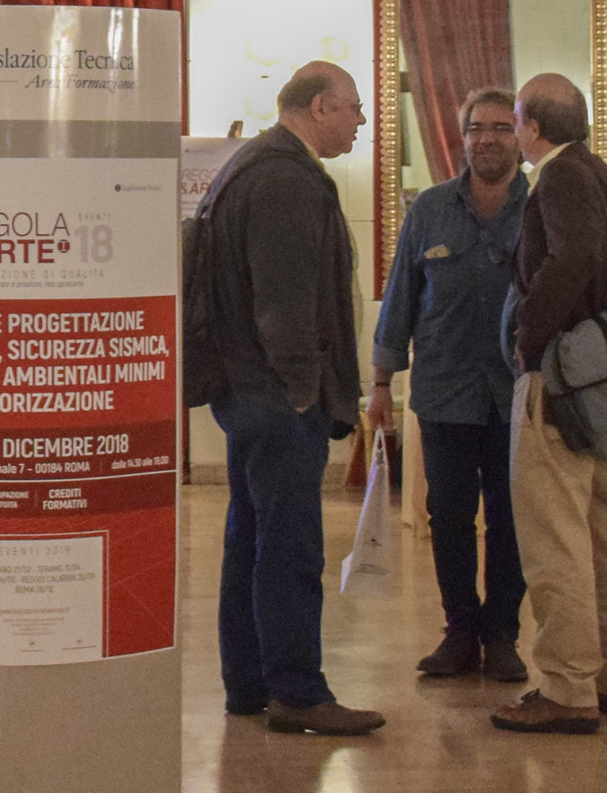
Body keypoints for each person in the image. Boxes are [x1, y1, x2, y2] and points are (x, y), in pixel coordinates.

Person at [187, 63, 384, 736]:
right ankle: (298, 691)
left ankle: (249, 686)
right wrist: (304, 389)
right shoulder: (283, 178)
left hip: (252, 393)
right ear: (322, 106)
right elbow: (284, 299)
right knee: (290, 545)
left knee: (253, 539)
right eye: (355, 109)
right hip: (276, 397)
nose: (361, 122)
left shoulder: (257, 166)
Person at [495, 72, 607, 736]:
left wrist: (532, 335)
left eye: (516, 122)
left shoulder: (561, 178)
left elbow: (569, 259)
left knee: (554, 534)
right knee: (603, 525)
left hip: (562, 383)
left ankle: (568, 687)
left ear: (533, 128)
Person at [369, 85, 532, 684]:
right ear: (461, 137)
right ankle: (460, 633)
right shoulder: (430, 208)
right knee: (450, 517)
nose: (487, 138)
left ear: (519, 137)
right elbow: (401, 299)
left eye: (500, 127)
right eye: (476, 128)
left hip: (519, 395)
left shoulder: (540, 207)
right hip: (443, 392)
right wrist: (382, 382)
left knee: (513, 519)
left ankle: (504, 634)